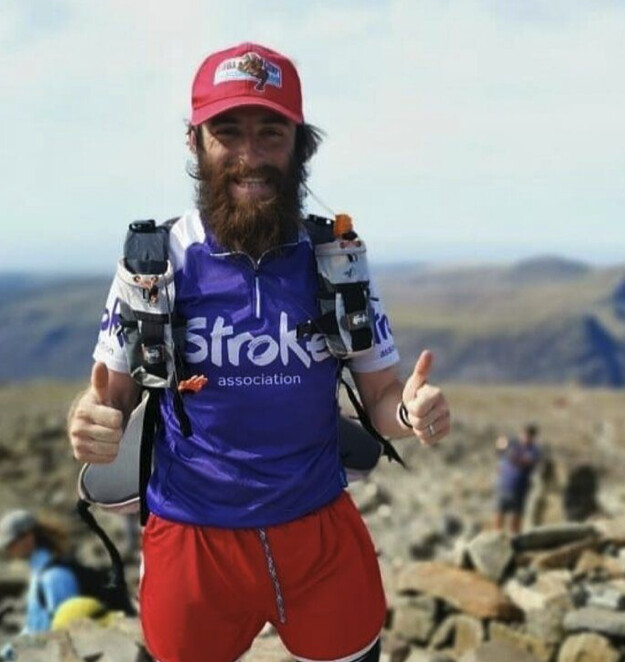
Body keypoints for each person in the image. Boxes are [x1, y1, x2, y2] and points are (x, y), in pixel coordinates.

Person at [67, 42, 450, 662]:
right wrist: (89, 421)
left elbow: (382, 395)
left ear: (301, 146)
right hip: (190, 541)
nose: (250, 156)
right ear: (195, 142)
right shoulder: (153, 265)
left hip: (319, 536)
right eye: (228, 132)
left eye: (271, 133)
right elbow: (108, 396)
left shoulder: (337, 262)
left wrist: (409, 414)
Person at [0, 509, 79, 633]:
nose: (9, 550)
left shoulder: (54, 576)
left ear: (28, 538)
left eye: (11, 544)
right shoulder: (39, 573)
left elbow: (63, 629)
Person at [494, 423, 542, 535]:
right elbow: (499, 446)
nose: (525, 438)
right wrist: (502, 442)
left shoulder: (533, 450)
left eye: (528, 436)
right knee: (499, 512)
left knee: (516, 516)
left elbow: (528, 461)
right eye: (524, 435)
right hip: (504, 485)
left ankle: (515, 538)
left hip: (519, 488)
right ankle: (497, 535)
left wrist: (513, 456)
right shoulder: (513, 444)